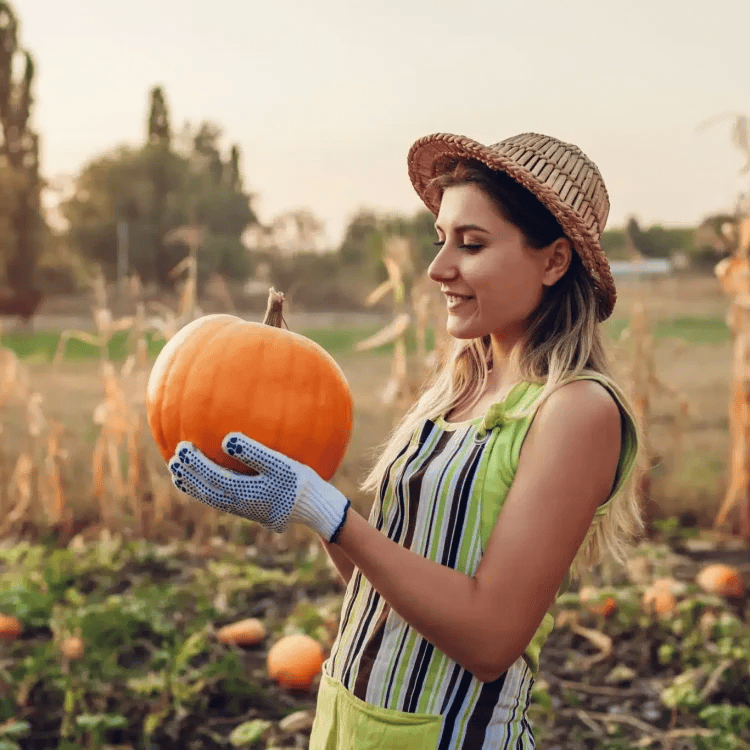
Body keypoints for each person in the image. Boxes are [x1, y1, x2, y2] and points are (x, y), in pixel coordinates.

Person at [168, 131, 642, 749]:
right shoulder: (453, 393)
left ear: (553, 261)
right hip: (350, 723)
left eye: (471, 244)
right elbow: (387, 584)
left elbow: (490, 640)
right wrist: (305, 504)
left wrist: (331, 513)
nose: (439, 267)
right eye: (440, 239)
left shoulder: (576, 411)